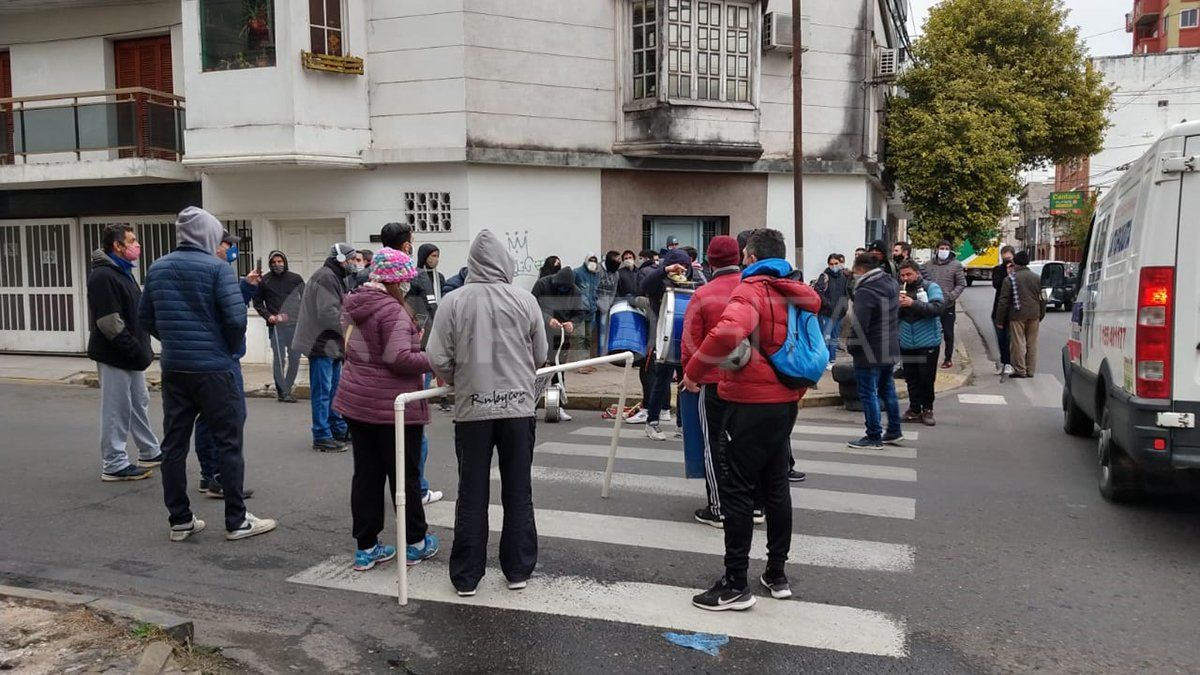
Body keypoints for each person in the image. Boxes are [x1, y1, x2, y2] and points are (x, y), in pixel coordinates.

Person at [681, 228, 820, 611]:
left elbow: (727, 332)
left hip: (749, 401)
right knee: (776, 486)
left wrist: (693, 371)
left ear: (750, 255)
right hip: (785, 400)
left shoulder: (752, 288)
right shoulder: (796, 291)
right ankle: (776, 574)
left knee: (738, 489)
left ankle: (734, 583)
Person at [139, 206, 276, 542]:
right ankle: (236, 520)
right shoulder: (217, 269)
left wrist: (173, 340)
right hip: (215, 368)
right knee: (229, 442)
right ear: (208, 235)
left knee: (173, 445)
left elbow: (145, 318)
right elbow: (234, 320)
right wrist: (226, 349)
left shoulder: (157, 268)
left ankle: (180, 520)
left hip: (175, 367)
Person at [426, 229, 547, 597]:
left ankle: (466, 575)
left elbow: (436, 355)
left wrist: (455, 377)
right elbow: (540, 354)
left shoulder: (453, 301)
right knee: (518, 489)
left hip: (472, 408)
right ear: (506, 263)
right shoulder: (525, 300)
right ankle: (517, 570)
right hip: (517, 409)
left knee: (472, 491)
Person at [334, 248, 439, 571]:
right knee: (405, 477)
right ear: (395, 281)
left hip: (357, 402)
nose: (408, 285)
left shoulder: (355, 304)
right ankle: (416, 543)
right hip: (391, 407)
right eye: (405, 280)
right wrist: (434, 358)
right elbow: (399, 359)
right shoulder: (391, 311)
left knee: (366, 476)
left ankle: (366, 547)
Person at [87, 224, 161, 482]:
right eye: (131, 241)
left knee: (138, 403)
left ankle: (149, 450)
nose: (136, 245)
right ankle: (114, 462)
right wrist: (135, 350)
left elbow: (136, 314)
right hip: (115, 354)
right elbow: (109, 323)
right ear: (117, 246)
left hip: (132, 354)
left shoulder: (123, 272)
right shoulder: (103, 277)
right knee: (116, 409)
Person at [679, 235, 741, 527]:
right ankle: (752, 506)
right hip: (748, 381)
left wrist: (689, 375)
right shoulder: (751, 288)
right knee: (745, 444)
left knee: (714, 444)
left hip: (714, 380)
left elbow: (690, 340)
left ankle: (718, 507)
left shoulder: (703, 294)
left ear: (711, 260)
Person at [294, 243, 357, 452]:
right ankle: (321, 434)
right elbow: (328, 313)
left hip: (330, 344)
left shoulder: (333, 276)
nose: (353, 263)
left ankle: (336, 428)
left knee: (334, 391)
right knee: (323, 392)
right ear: (340, 259)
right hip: (322, 344)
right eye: (351, 259)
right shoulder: (327, 277)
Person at [639, 247, 704, 441]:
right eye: (678, 265)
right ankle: (652, 422)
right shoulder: (659, 283)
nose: (681, 270)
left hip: (688, 340)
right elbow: (643, 286)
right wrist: (665, 270)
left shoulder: (694, 281)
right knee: (661, 382)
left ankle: (683, 425)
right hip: (664, 337)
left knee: (686, 382)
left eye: (685, 266)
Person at [846, 253, 903, 450]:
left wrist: (852, 346)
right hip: (890, 346)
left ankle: (873, 436)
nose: (853, 275)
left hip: (869, 349)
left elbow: (860, 323)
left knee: (868, 392)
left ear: (861, 269)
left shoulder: (866, 290)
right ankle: (894, 430)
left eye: (855, 271)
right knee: (888, 389)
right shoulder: (891, 283)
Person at [408, 243, 448, 504]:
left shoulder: (440, 278)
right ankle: (418, 490)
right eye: (432, 255)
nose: (435, 260)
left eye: (438, 256)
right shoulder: (414, 279)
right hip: (420, 337)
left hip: (435, 332)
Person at [531, 265, 586, 421]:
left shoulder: (575, 291)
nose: (562, 290)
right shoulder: (542, 284)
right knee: (538, 369)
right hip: (540, 333)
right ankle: (531, 407)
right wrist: (548, 319)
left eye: (565, 288)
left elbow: (580, 313)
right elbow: (532, 306)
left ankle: (559, 406)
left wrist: (571, 324)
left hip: (561, 336)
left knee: (559, 370)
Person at [897, 261, 944, 427]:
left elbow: (938, 308)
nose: (905, 278)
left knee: (926, 378)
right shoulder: (899, 289)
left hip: (928, 341)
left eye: (908, 274)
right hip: (907, 341)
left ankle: (928, 409)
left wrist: (912, 303)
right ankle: (914, 409)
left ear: (917, 273)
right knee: (911, 377)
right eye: (902, 275)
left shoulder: (931, 287)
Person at [254, 250, 305, 403]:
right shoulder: (264, 281)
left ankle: (287, 388)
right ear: (270, 264)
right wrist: (268, 316)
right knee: (279, 359)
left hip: (294, 325)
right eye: (274, 262)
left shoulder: (296, 279)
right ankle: (282, 392)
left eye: (280, 261)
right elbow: (257, 303)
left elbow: (306, 299)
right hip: (275, 327)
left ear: (285, 262)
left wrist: (298, 316)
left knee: (295, 358)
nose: (277, 264)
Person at [995, 251, 1045, 379]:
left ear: (1015, 262)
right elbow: (1043, 298)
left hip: (1016, 315)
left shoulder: (1010, 279)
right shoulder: (1037, 278)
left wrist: (1000, 320)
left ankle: (1020, 370)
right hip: (1034, 314)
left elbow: (1004, 301)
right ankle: (1030, 370)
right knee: (1032, 343)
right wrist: (1041, 314)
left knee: (1017, 343)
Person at [923, 239, 966, 369]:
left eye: (946, 249)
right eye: (942, 248)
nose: (944, 251)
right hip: (931, 304)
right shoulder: (928, 265)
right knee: (930, 332)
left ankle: (948, 358)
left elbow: (961, 283)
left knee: (948, 333)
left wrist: (951, 296)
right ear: (936, 249)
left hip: (948, 304)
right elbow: (923, 281)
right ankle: (930, 357)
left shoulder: (956, 265)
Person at [812, 253, 850, 368]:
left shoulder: (844, 278)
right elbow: (818, 292)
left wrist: (843, 307)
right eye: (831, 264)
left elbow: (846, 293)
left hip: (838, 314)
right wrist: (828, 304)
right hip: (826, 313)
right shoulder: (824, 277)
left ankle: (832, 360)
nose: (833, 266)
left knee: (834, 338)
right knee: (825, 338)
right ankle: (824, 360)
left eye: (836, 263)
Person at [990, 245, 1016, 376]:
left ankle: (1011, 363)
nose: (1007, 261)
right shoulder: (998, 270)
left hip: (1013, 310)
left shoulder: (1018, 270)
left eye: (1009, 258)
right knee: (1001, 338)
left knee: (1011, 338)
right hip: (999, 310)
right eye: (1005, 258)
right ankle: (1004, 362)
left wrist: (1012, 272)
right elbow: (996, 285)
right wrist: (1006, 273)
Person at [573, 253, 601, 361]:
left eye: (595, 260)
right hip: (580, 311)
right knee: (580, 337)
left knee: (588, 337)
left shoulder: (596, 275)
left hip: (591, 311)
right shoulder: (577, 272)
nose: (593, 262)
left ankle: (586, 361)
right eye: (590, 260)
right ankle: (581, 363)